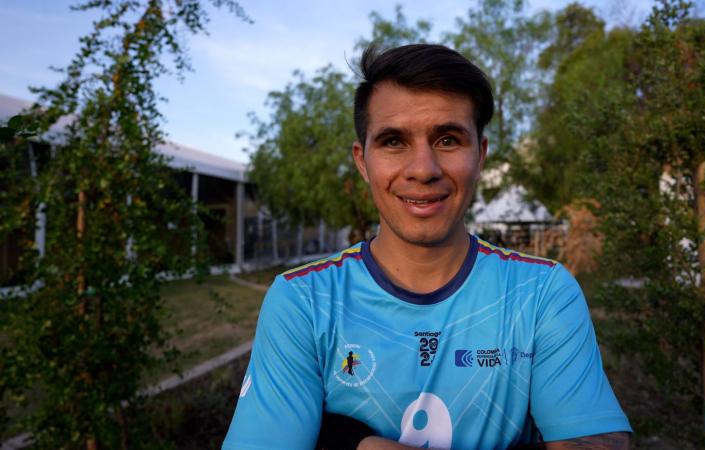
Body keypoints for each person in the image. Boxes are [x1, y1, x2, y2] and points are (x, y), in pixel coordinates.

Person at [222, 44, 632, 450]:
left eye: (448, 140)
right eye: (394, 142)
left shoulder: (543, 292)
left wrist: (358, 445)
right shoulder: (302, 301)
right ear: (362, 161)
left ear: (481, 154)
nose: (423, 169)